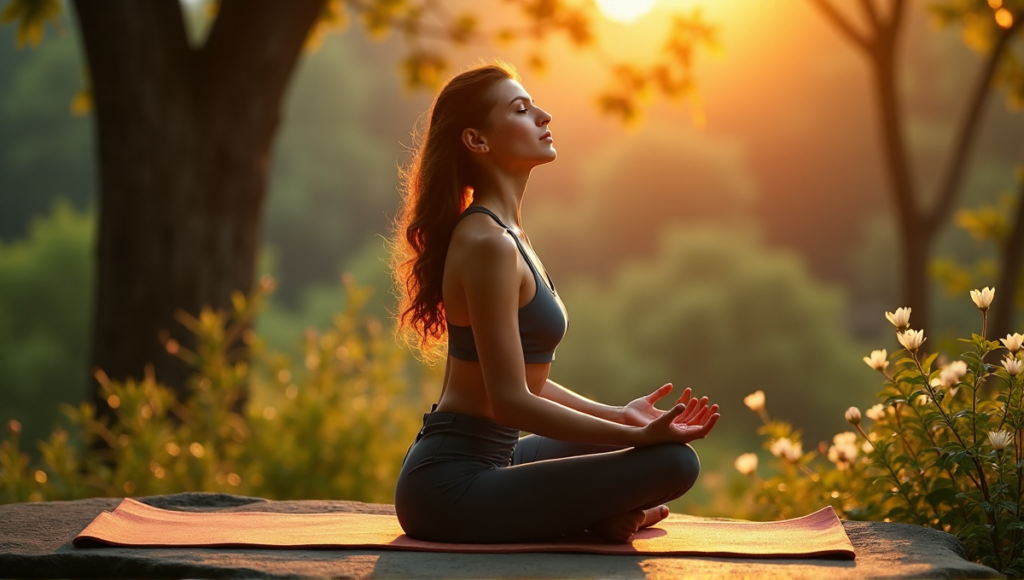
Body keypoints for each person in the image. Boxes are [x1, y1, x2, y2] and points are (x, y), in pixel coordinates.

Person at [387, 60, 721, 545]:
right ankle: (600, 515)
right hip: (449, 487)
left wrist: (620, 416)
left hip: (500, 459)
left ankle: (602, 515)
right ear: (477, 140)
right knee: (672, 462)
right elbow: (510, 402)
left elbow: (527, 383)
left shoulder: (508, 235)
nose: (544, 116)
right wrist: (635, 438)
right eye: (522, 109)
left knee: (654, 454)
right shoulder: (486, 243)